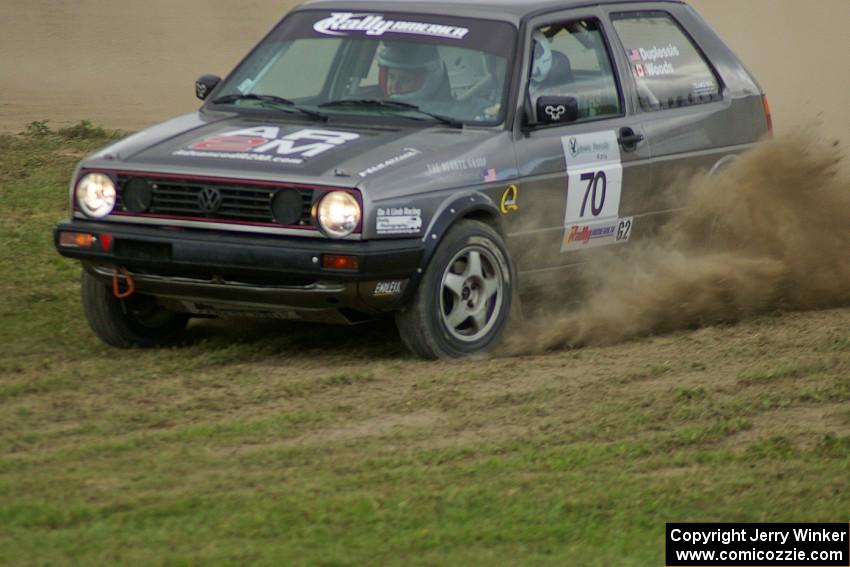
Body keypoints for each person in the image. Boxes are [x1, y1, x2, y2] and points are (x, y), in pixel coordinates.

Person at [378, 42, 451, 102]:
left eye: (405, 80)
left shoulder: (447, 114)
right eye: (391, 77)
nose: (394, 87)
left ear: (429, 81)